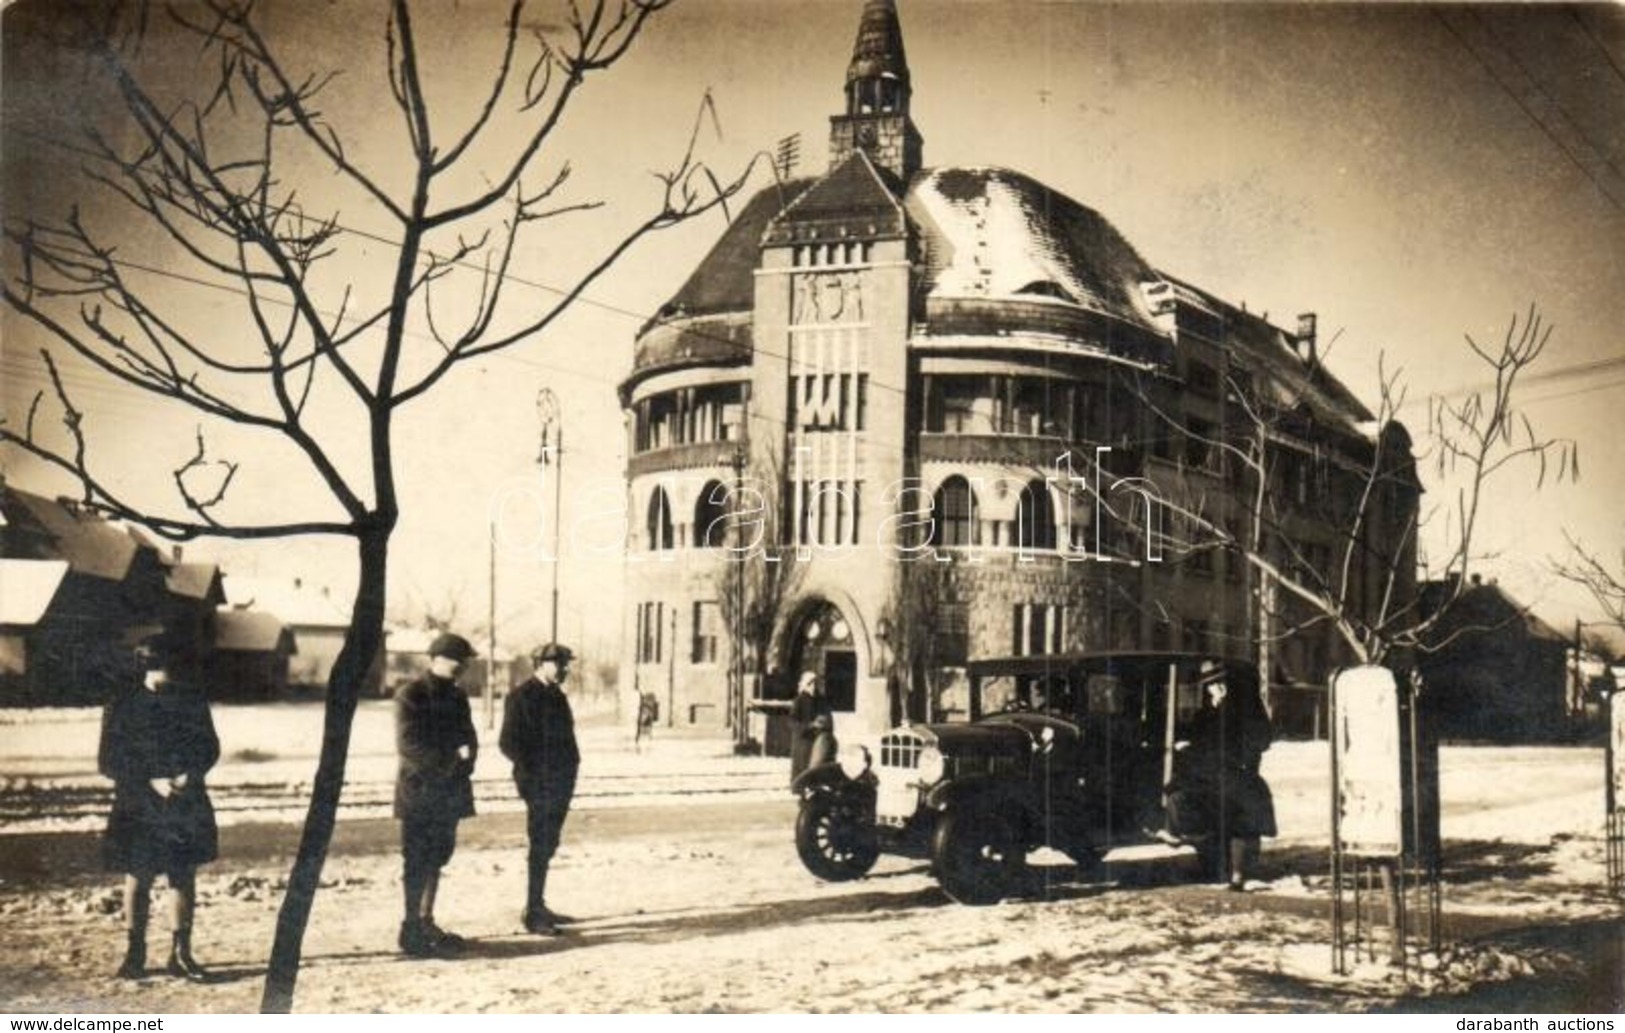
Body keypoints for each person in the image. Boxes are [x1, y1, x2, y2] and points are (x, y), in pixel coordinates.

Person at [99, 632, 219, 981]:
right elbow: (108, 760)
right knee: (139, 876)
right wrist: (150, 780)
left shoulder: (191, 700)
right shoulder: (121, 704)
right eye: (160, 670)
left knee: (182, 876)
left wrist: (189, 775)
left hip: (185, 801)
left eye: (172, 670)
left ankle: (181, 954)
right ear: (146, 669)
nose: (168, 678)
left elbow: (209, 747)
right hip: (138, 804)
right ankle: (135, 954)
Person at [394, 631, 478, 957]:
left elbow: (468, 737)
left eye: (465, 661)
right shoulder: (410, 694)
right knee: (416, 859)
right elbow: (409, 745)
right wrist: (450, 765)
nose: (462, 666)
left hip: (449, 791)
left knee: (439, 855)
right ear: (436, 659)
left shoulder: (458, 697)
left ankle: (426, 920)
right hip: (420, 792)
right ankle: (410, 927)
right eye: (457, 660)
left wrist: (468, 761)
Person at [1172, 661, 1277, 890]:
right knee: (1215, 821)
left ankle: (1238, 874)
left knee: (1240, 824)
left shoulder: (1245, 708)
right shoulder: (1210, 710)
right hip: (1214, 776)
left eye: (1216, 683)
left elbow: (1260, 739)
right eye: (1209, 685)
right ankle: (1217, 867)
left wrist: (1241, 759)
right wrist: (1189, 745)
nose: (1213, 689)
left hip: (1241, 775)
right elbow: (1201, 737)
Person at [500, 642, 581, 937]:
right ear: (541, 664)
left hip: (560, 783)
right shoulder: (522, 697)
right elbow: (508, 743)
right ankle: (533, 913)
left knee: (549, 843)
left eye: (565, 663)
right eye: (559, 663)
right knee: (540, 843)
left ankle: (538, 903)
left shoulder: (556, 696)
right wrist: (536, 775)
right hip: (540, 784)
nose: (564, 669)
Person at [788, 670, 832, 784]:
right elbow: (792, 722)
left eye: (815, 683)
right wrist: (809, 725)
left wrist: (824, 723)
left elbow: (828, 716)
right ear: (805, 685)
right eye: (810, 683)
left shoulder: (821, 700)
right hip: (803, 742)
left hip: (818, 740)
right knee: (802, 770)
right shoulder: (799, 700)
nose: (813, 686)